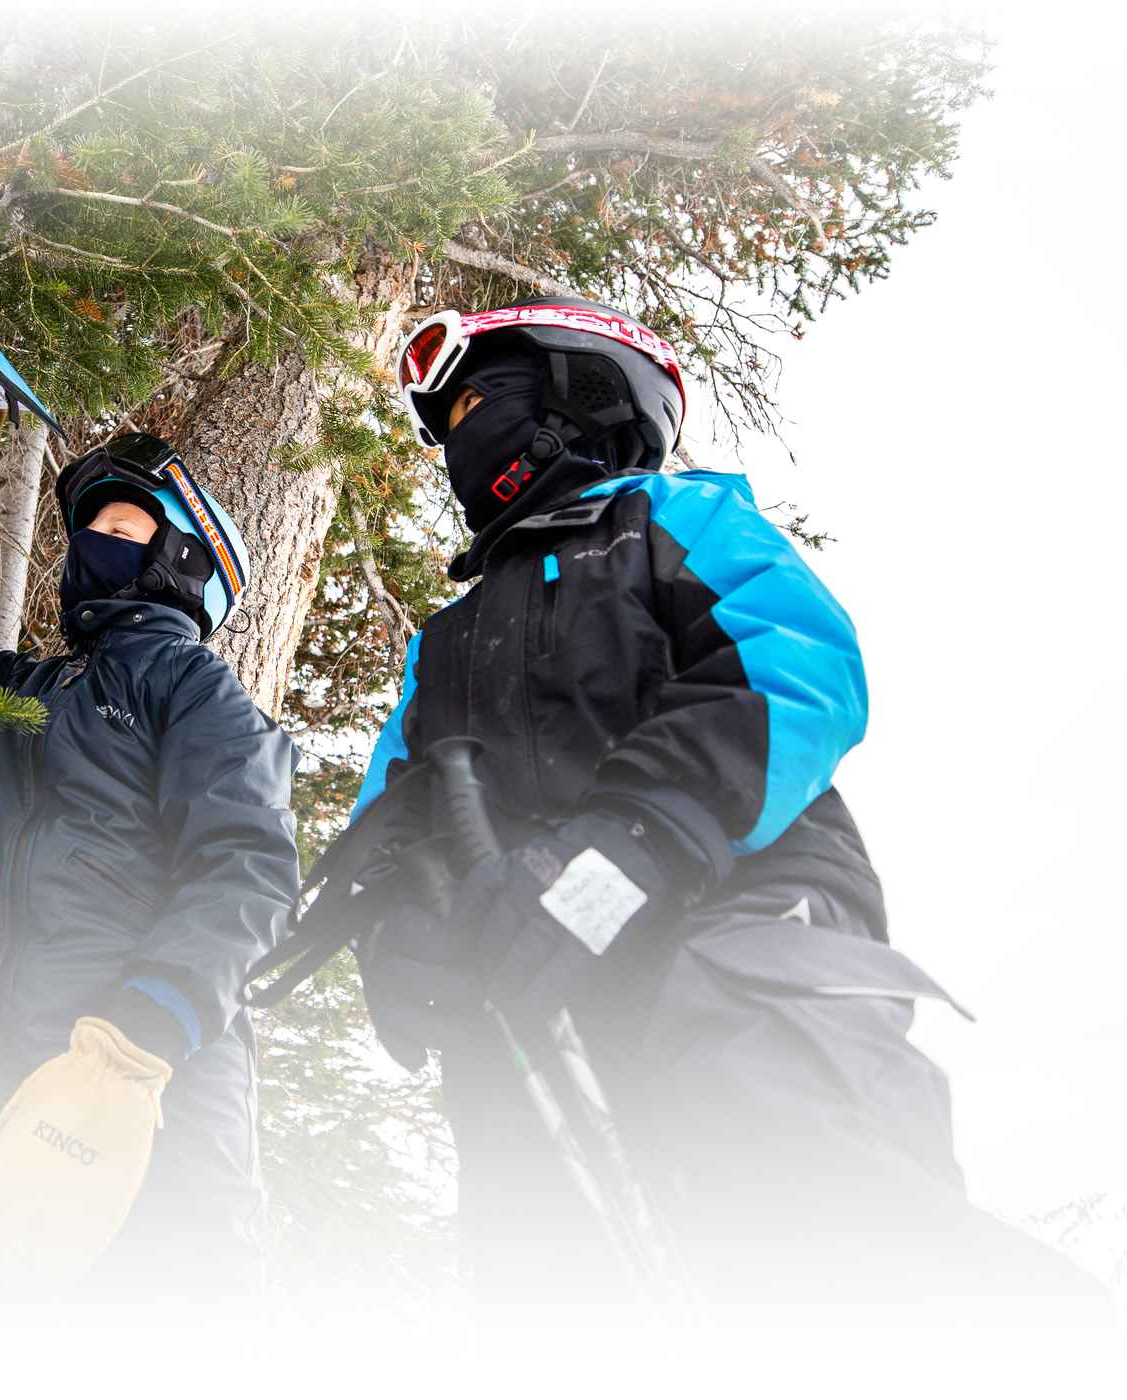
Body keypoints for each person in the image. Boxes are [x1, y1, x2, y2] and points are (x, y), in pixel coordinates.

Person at [266, 298, 1115, 1348]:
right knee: (554, 1293)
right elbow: (395, 804)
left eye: (477, 402)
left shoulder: (673, 524)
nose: (458, 444)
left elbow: (795, 667)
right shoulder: (446, 637)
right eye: (447, 431)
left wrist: (639, 833)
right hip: (534, 987)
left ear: (577, 391)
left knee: (801, 1184)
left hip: (730, 912)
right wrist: (401, 933)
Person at [0, 394, 299, 1305]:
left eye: (122, 528)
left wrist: (142, 1037)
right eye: (88, 529)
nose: (94, 543)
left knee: (157, 1320)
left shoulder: (193, 682)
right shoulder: (37, 687)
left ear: (182, 561)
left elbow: (249, 864)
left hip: (149, 1065)